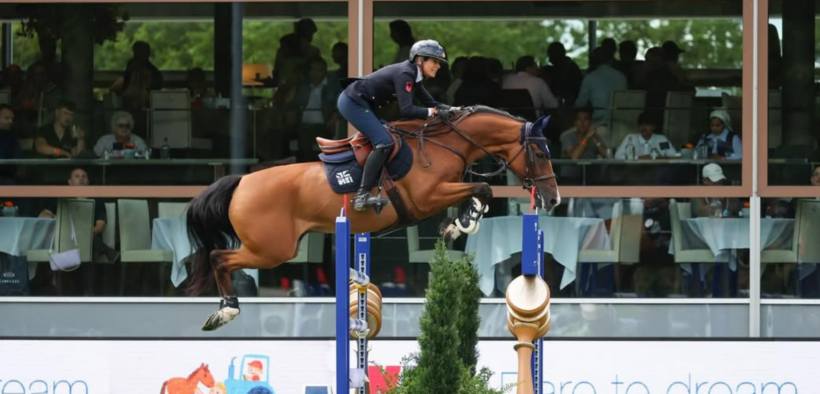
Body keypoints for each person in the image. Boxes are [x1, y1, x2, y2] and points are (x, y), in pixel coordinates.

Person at [338, 39, 451, 211]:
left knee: (392, 136)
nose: (438, 66)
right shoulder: (406, 73)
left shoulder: (414, 75)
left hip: (364, 103)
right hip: (353, 103)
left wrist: (455, 110)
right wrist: (434, 113)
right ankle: (362, 195)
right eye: (434, 61)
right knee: (385, 142)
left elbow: (430, 102)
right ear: (420, 60)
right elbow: (407, 110)